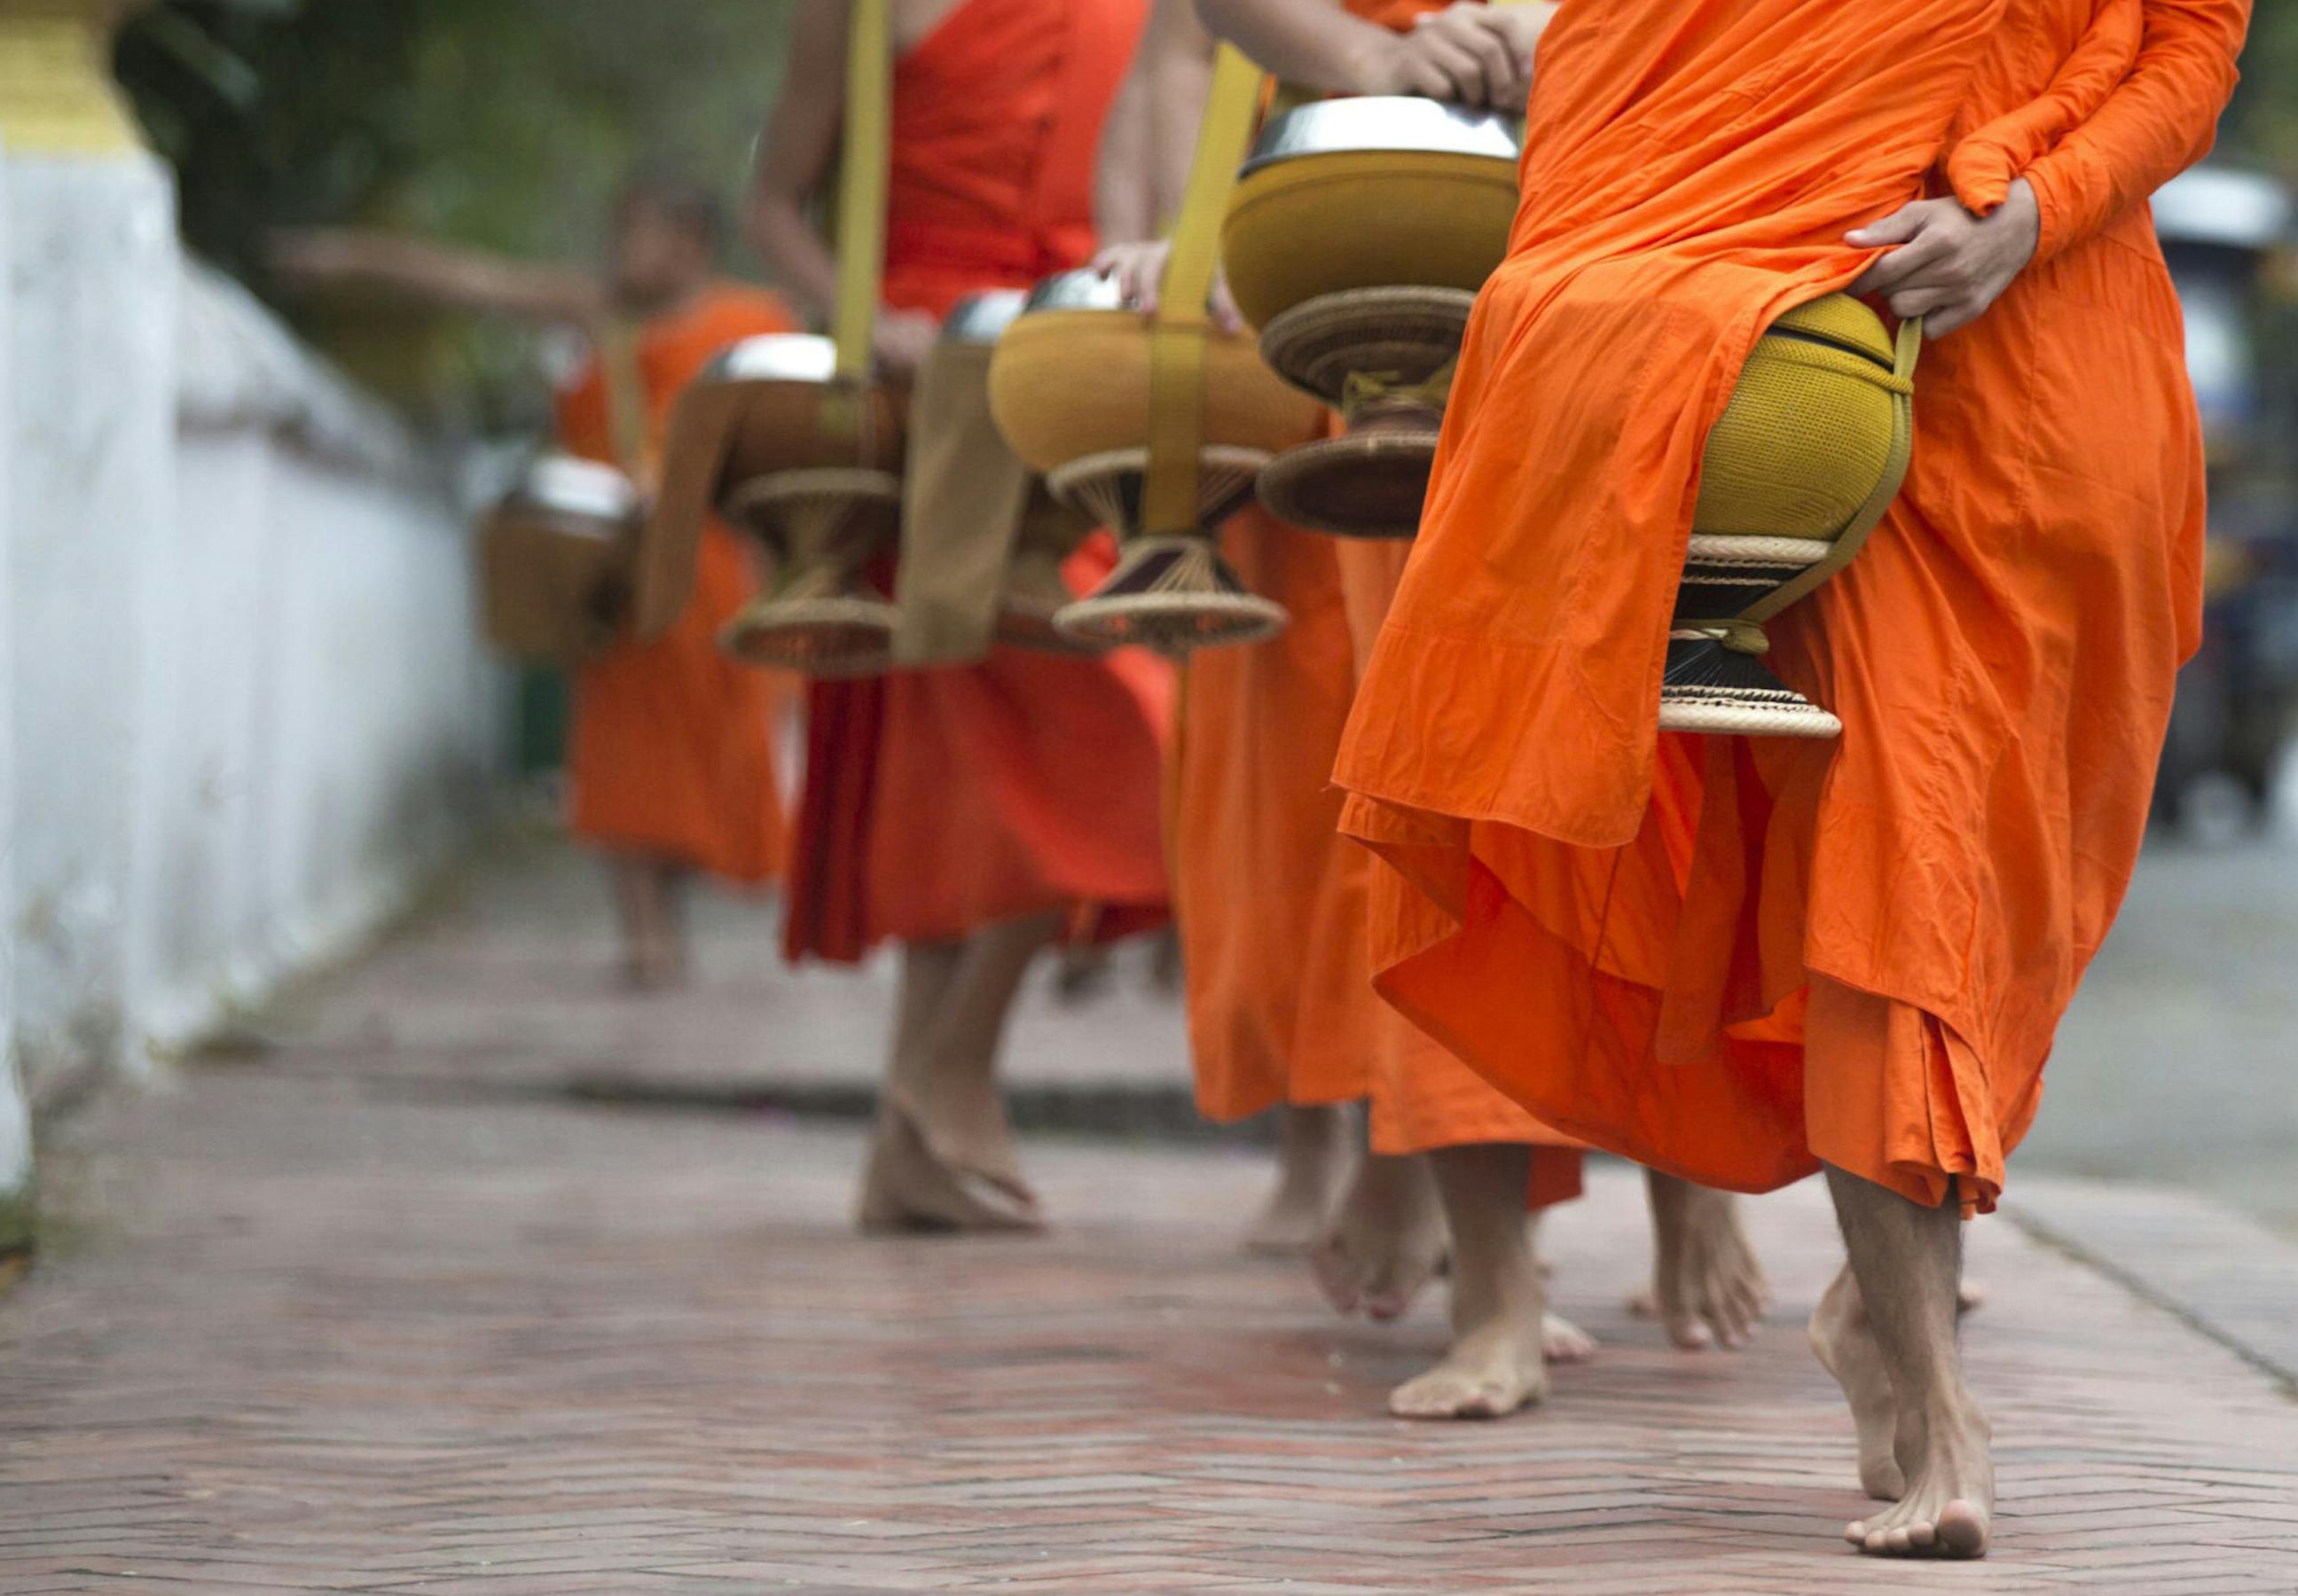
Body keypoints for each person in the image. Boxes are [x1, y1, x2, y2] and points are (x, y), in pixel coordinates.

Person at [1328, 0, 2248, 1554]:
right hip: (1816, 344)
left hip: (2054, 352)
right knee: (1897, 862)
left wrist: (2031, 216)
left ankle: (1888, 1314)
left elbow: (2192, 48)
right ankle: (1941, 1398)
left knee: (2000, 892)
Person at [1100, 0, 1766, 1420]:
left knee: (1656, 765)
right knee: (1444, 787)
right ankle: (1493, 1286)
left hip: (1640, 240)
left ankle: (1694, 1171)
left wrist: (1567, 29)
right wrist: (1372, 67)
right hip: (1400, 275)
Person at [746, 0, 1172, 1234]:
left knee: (1125, 728)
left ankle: (929, 1095)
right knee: (964, 774)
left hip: (1086, 374)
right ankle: (926, 1108)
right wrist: (857, 316)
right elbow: (775, 203)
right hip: (933, 380)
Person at [273, 176, 796, 990]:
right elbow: (467, 279)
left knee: (709, 758)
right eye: (621, 231)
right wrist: (350, 259)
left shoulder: (752, 325)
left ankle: (671, 907)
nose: (624, 252)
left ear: (691, 244)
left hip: (712, 572)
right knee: (623, 751)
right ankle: (645, 936)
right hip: (609, 572)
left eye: (643, 235)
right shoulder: (597, 312)